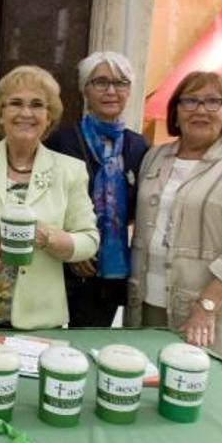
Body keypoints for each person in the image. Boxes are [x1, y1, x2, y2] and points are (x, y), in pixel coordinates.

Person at [127, 71, 222, 362]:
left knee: (196, 394)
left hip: (205, 312)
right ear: (176, 113)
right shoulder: (155, 157)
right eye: (190, 101)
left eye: (212, 102)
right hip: (145, 303)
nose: (201, 111)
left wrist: (207, 305)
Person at [0, 65, 99, 328]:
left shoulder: (70, 171)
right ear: (0, 114)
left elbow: (89, 240)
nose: (26, 113)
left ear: (49, 117)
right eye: (15, 103)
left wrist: (47, 237)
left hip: (39, 320)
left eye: (37, 105)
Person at [45, 51, 149, 327]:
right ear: (84, 90)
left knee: (89, 344)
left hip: (109, 273)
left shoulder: (138, 147)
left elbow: (139, 206)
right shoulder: (61, 141)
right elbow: (45, 200)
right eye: (100, 82)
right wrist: (72, 246)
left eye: (121, 83)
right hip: (59, 266)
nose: (111, 91)